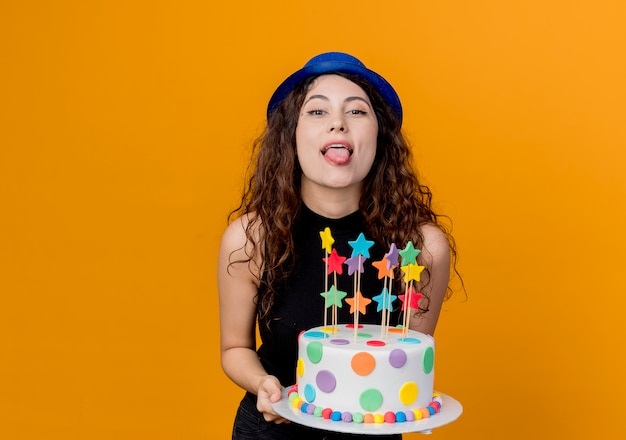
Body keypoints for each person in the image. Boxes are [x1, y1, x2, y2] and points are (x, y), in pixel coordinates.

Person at [218, 52, 459, 440]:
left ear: (380, 135)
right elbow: (234, 348)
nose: (337, 123)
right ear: (290, 136)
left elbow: (408, 361)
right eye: (316, 112)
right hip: (271, 430)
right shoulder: (251, 239)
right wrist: (264, 384)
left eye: (357, 112)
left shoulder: (420, 248)